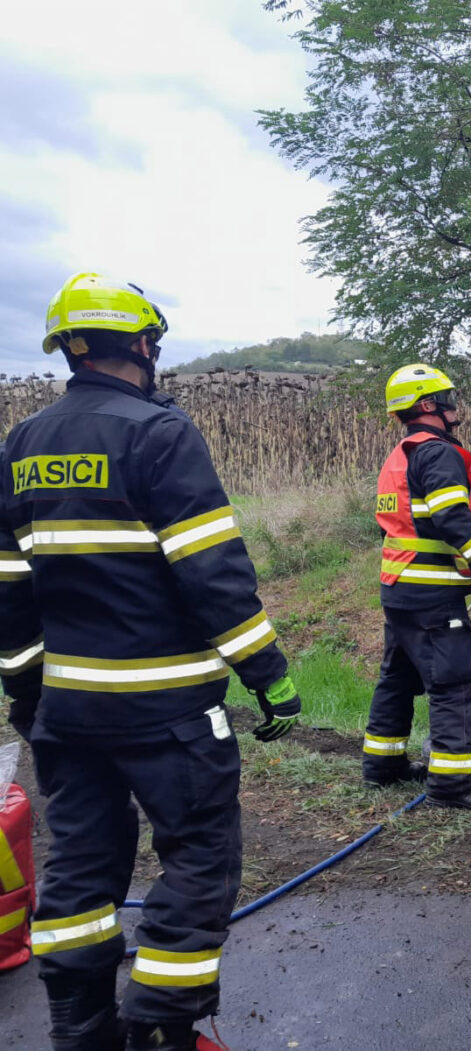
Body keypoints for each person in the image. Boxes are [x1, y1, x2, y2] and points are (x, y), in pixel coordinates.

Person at [0, 273, 301, 1051]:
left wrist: (25, 691)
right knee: (200, 856)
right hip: (167, 710)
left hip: (67, 713)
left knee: (80, 867)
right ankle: (161, 1033)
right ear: (141, 344)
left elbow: (8, 590)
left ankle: (80, 1027)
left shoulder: (21, 445)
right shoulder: (159, 433)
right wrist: (268, 674)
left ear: (70, 348)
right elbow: (212, 572)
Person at [363, 364, 471, 809]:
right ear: (428, 405)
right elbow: (451, 519)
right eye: (447, 398)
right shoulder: (438, 452)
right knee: (455, 684)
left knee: (398, 676)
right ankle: (451, 785)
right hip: (431, 593)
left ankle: (382, 766)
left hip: (400, 586)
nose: (453, 405)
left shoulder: (402, 453)